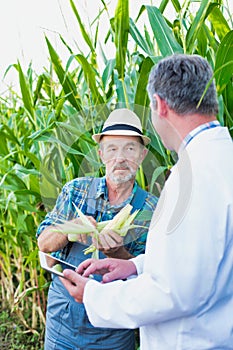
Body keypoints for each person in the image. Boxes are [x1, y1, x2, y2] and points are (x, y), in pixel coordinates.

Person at [61, 54, 233, 349]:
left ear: (160, 105)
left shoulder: (195, 177)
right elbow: (205, 258)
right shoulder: (221, 159)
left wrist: (92, 295)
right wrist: (136, 267)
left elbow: (172, 292)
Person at [37, 108, 158, 350]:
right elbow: (44, 244)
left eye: (129, 149)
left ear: (142, 155)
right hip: (63, 322)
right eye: (112, 149)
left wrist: (118, 254)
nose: (120, 158)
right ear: (101, 154)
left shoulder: (152, 209)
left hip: (112, 331)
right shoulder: (76, 191)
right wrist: (71, 228)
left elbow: (153, 274)